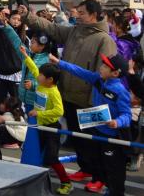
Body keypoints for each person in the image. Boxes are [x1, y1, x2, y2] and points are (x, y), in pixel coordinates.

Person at [18, 0, 116, 186]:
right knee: (78, 138)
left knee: (93, 141)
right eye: (77, 12)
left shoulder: (104, 39)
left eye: (82, 13)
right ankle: (86, 169)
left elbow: (105, 76)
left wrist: (95, 100)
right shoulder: (74, 31)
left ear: (94, 15)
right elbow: (51, 28)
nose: (77, 16)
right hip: (68, 96)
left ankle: (100, 178)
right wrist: (27, 16)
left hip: (89, 101)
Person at [51, 52, 131, 195]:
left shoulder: (120, 91)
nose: (101, 67)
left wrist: (116, 122)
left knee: (114, 169)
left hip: (113, 136)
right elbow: (80, 71)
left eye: (106, 66)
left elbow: (127, 114)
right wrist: (59, 62)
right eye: (103, 64)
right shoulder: (98, 79)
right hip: (95, 128)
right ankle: (101, 183)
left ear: (115, 73)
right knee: (97, 159)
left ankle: (115, 191)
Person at [18, 45, 72, 195]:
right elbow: (34, 69)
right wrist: (25, 56)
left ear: (50, 80)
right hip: (40, 126)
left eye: (41, 75)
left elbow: (59, 111)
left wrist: (40, 114)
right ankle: (38, 180)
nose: (37, 76)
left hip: (51, 128)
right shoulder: (42, 83)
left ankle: (66, 182)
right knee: (39, 153)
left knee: (52, 157)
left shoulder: (53, 92)